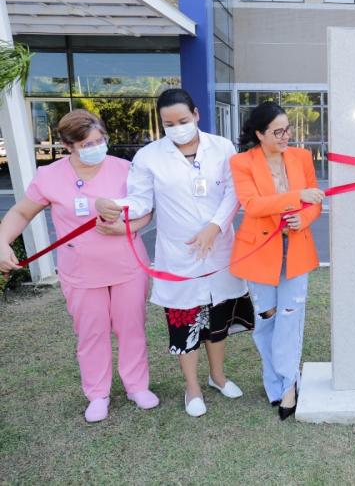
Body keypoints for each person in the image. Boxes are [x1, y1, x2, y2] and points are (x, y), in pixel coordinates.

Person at [95, 88, 253, 418]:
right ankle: (192, 388)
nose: (177, 127)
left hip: (218, 250)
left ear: (196, 114)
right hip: (179, 256)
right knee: (185, 323)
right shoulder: (149, 156)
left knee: (218, 320)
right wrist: (115, 206)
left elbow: (235, 192)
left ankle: (218, 377)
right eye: (169, 123)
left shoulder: (222, 148)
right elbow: (140, 200)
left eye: (182, 120)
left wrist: (215, 226)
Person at [0, 109, 157, 423]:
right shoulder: (50, 177)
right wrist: (3, 241)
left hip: (127, 264)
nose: (96, 147)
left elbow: (146, 211)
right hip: (81, 270)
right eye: (87, 144)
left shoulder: (126, 169)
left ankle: (136, 386)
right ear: (68, 145)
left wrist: (128, 226)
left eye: (101, 140)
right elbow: (21, 213)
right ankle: (97, 394)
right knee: (91, 332)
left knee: (131, 328)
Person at [229, 101, 324, 420]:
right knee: (267, 319)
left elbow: (315, 202)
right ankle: (275, 381)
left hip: (296, 251)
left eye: (288, 129)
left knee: (290, 316)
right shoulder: (242, 162)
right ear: (260, 133)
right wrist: (297, 198)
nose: (286, 136)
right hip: (260, 252)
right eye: (278, 131)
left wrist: (305, 218)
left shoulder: (301, 157)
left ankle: (288, 388)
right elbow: (253, 205)